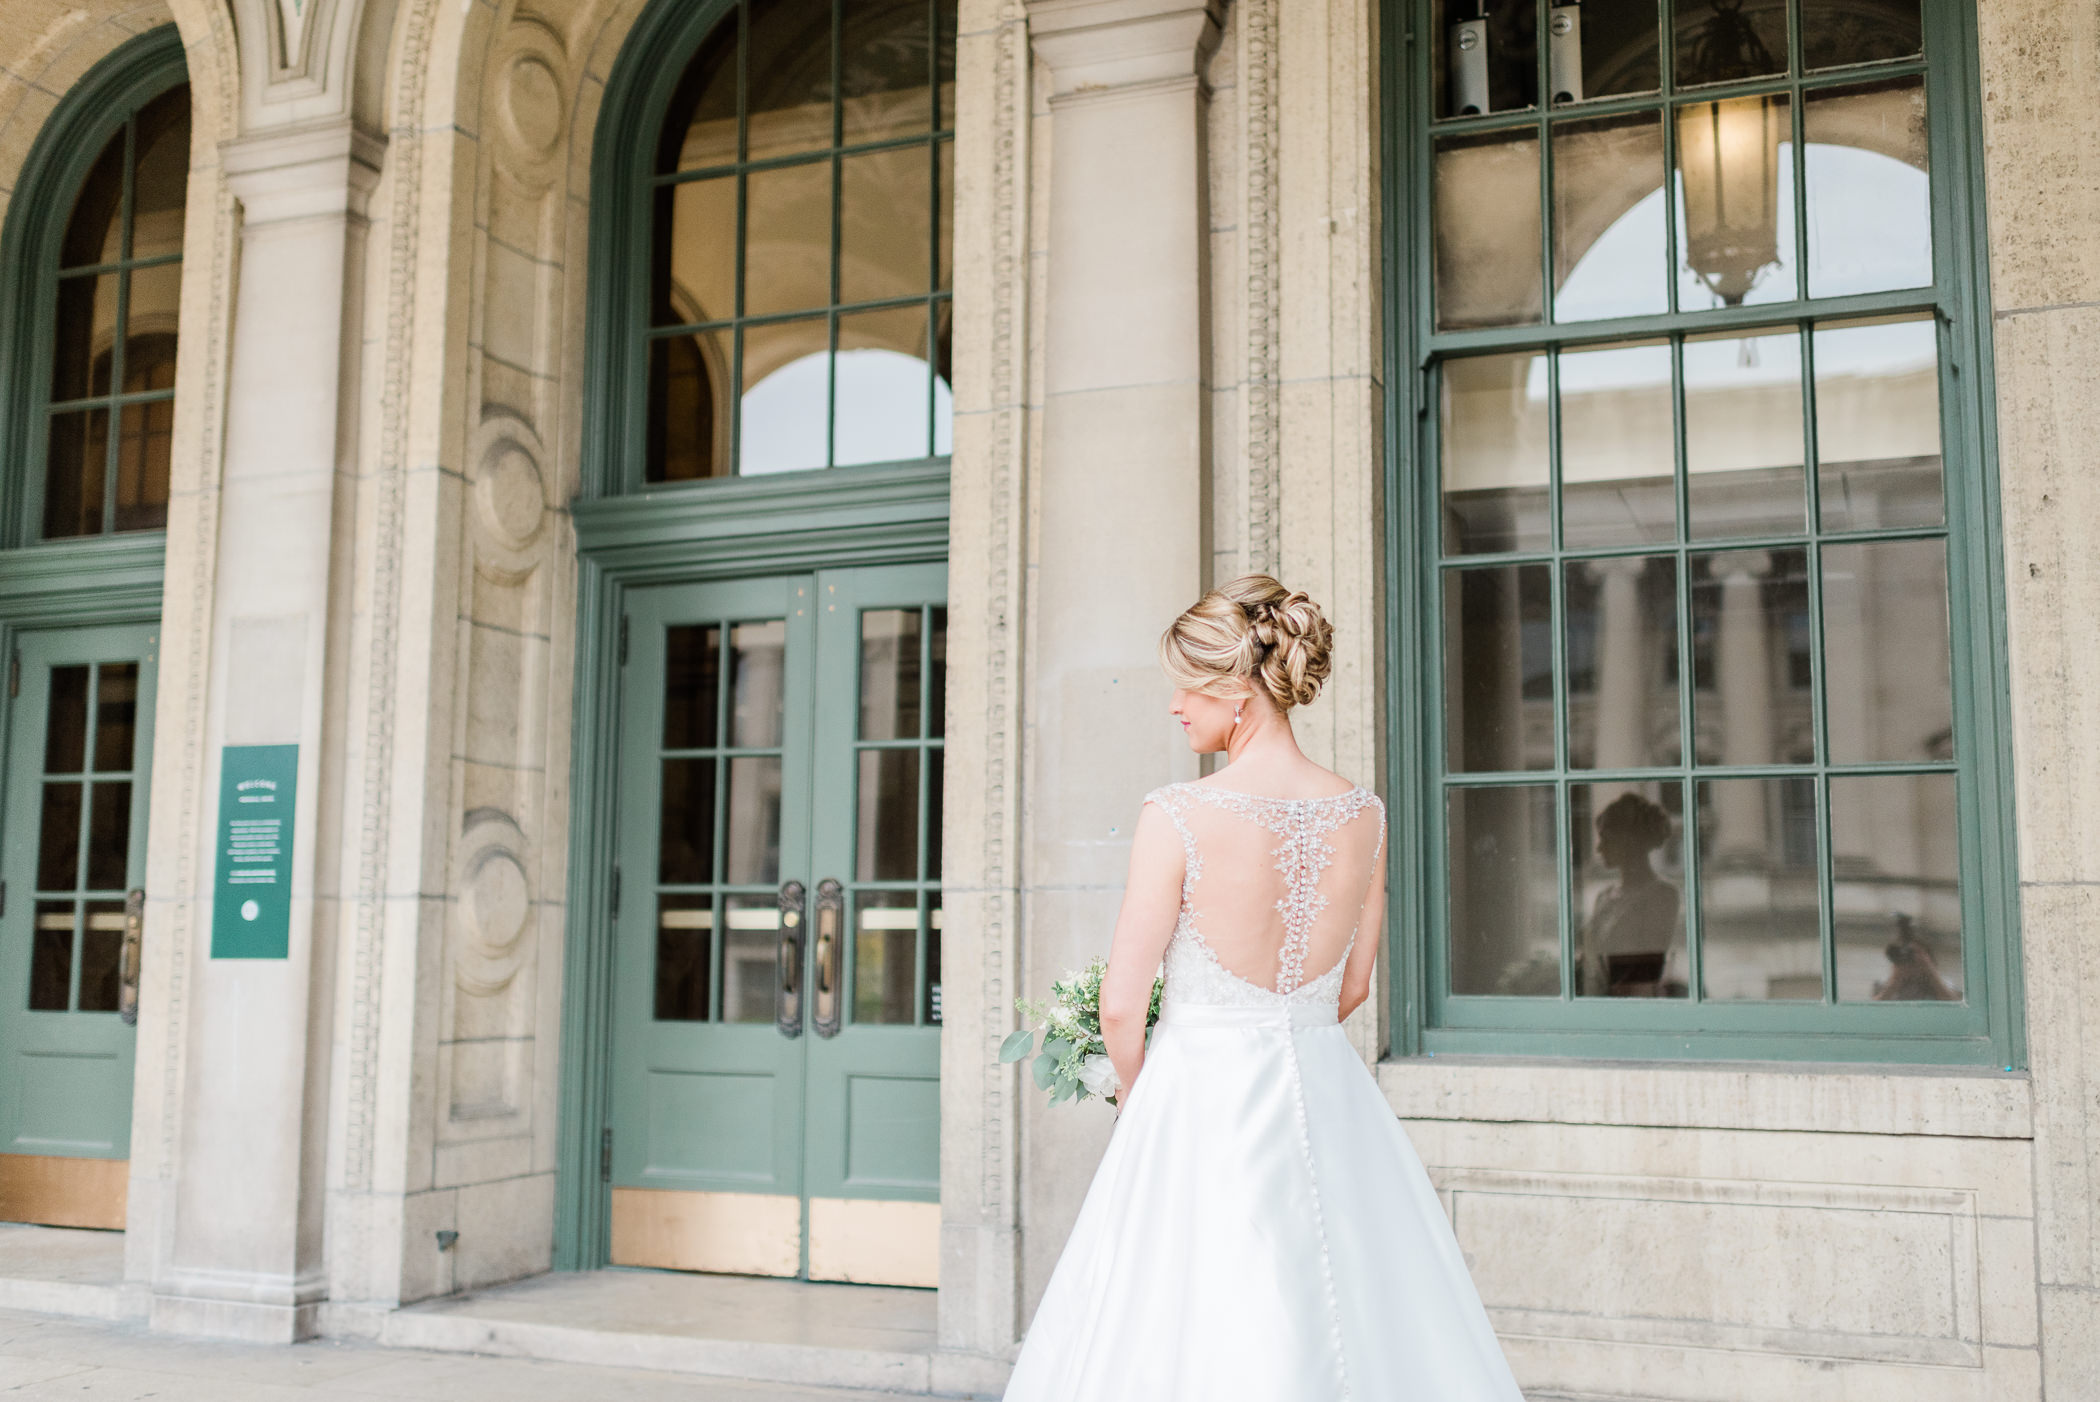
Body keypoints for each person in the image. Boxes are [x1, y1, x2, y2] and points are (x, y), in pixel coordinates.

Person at [1003, 576, 1526, 1401]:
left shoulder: (1176, 812)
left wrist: (1142, 1097)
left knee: (1182, 1316)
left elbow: (1120, 1001)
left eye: (1187, 685)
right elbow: (1353, 986)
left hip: (1198, 1096)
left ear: (1237, 692)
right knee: (1362, 1305)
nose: (1175, 706)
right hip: (1327, 1092)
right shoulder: (1366, 813)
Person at [1576, 793, 1683, 998]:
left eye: (1607, 838)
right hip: (1599, 1000)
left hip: (1636, 1002)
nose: (1599, 848)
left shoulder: (1662, 895)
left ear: (1629, 841)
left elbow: (1647, 964)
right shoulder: (1604, 896)